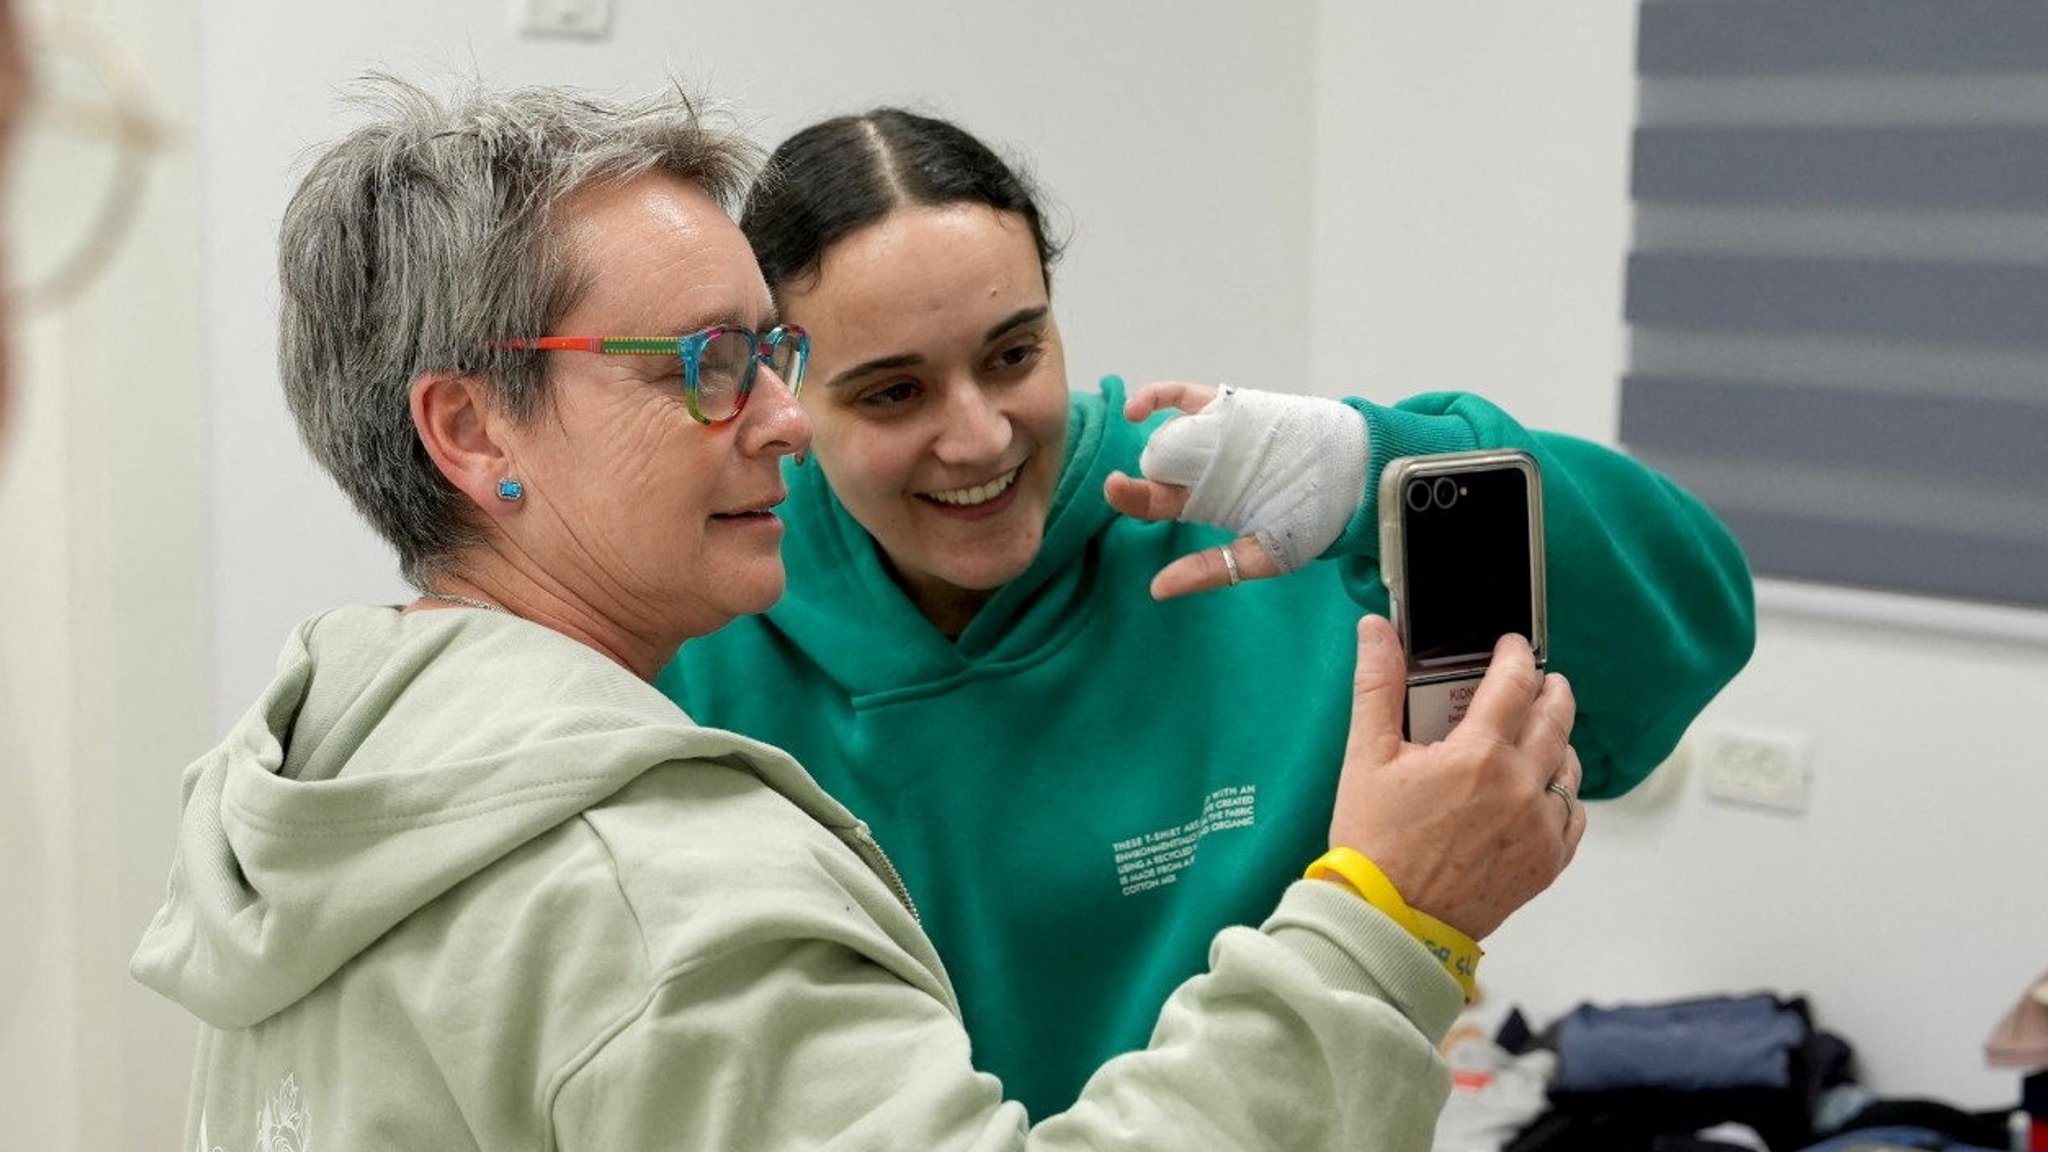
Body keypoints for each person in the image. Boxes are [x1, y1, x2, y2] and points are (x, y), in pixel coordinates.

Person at [131, 78, 1587, 1149]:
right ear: (472, 432)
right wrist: (1391, 925)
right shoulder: (647, 891)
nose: (780, 420)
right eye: (704, 364)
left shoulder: (345, 771)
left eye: (770, 355)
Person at [658, 107, 1758, 1114]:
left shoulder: (1240, 522)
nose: (980, 435)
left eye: (1013, 355)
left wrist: (1377, 466)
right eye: (892, 391)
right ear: (780, 386)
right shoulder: (699, 623)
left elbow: (1681, 638)